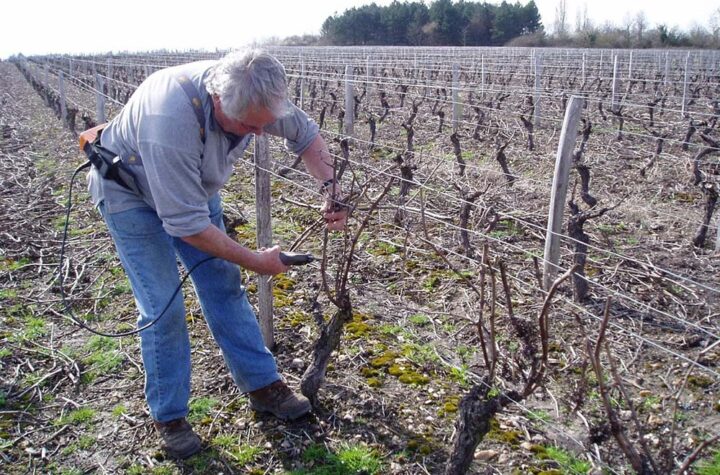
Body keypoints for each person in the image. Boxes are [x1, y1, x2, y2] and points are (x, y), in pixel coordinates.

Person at [87, 49, 347, 459]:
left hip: (194, 192)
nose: (258, 135)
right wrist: (257, 260)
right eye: (247, 128)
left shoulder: (253, 89)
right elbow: (186, 226)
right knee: (162, 305)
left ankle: (263, 385)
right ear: (216, 99)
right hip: (130, 194)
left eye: (264, 125)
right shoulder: (168, 119)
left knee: (224, 286)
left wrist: (333, 190)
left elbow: (305, 135)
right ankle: (170, 417)